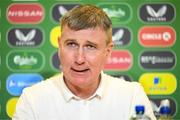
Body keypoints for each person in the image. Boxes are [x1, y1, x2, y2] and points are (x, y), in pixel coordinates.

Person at [13, 4, 156, 120]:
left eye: (90, 47)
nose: (79, 59)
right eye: (71, 44)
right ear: (59, 45)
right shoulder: (32, 99)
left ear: (108, 51)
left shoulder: (132, 96)